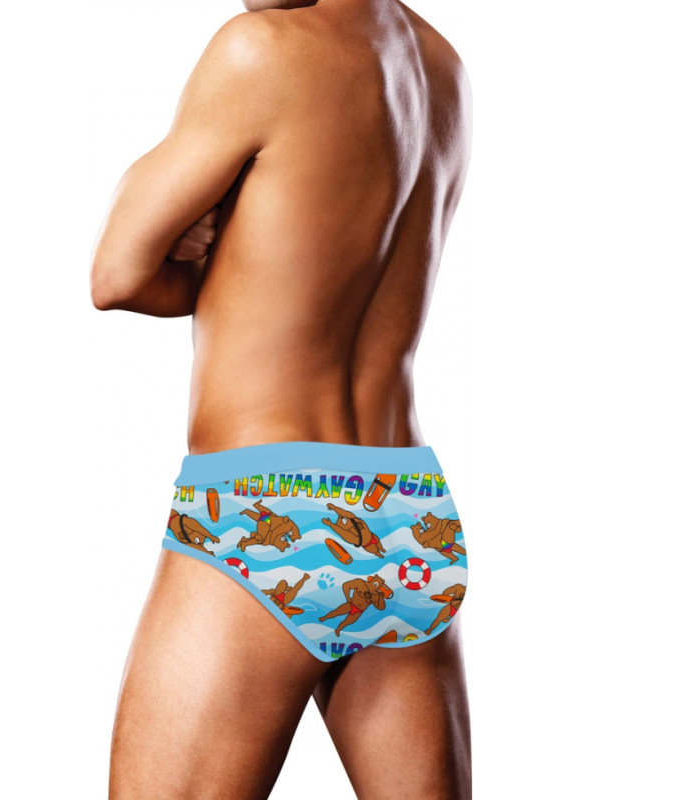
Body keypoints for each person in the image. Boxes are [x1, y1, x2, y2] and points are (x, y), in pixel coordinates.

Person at [90, 0, 472, 797]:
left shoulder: (261, 49)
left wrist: (184, 227)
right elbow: (312, 274)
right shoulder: (441, 67)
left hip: (266, 505)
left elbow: (117, 274)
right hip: (407, 515)